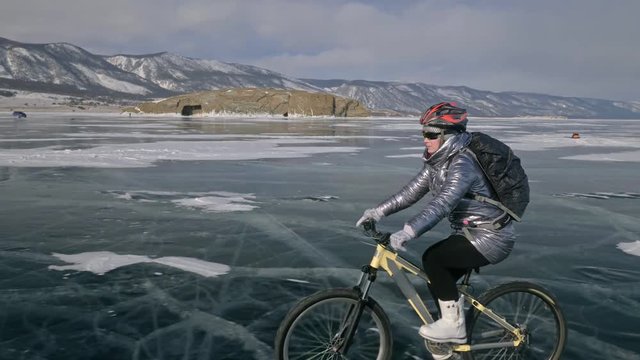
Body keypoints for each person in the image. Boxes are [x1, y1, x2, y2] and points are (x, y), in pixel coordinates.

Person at [356, 102, 516, 344]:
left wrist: (409, 230)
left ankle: (454, 327)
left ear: (448, 136)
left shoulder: (463, 164)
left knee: (435, 259)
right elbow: (411, 192)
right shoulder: (437, 163)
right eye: (424, 133)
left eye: (431, 134)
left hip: (491, 236)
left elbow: (443, 204)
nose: (425, 140)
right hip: (469, 232)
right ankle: (452, 333)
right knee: (436, 277)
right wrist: (377, 212)